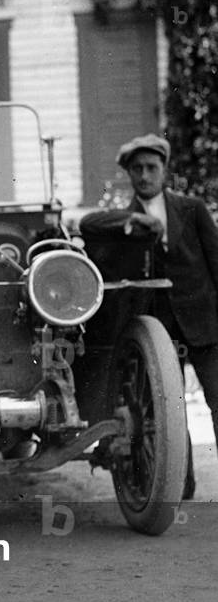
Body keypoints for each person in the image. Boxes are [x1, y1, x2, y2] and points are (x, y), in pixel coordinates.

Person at [80, 133, 215, 499]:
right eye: (136, 169)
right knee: (169, 407)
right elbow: (88, 226)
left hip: (204, 321)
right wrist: (138, 223)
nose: (144, 175)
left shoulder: (192, 210)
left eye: (151, 167)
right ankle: (181, 486)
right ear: (129, 174)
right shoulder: (122, 219)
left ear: (164, 170)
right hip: (159, 327)